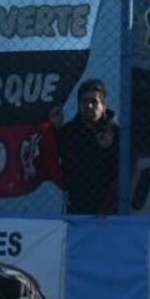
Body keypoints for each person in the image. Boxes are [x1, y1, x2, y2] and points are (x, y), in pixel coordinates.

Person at [56, 78, 119, 215]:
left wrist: (109, 148)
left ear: (104, 106)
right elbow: (51, 160)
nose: (89, 106)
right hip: (76, 207)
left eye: (94, 102)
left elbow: (124, 170)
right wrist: (53, 129)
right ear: (78, 105)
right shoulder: (68, 133)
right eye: (84, 101)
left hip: (109, 211)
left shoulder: (116, 133)